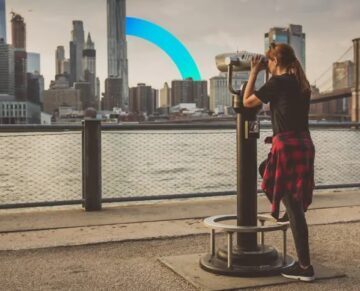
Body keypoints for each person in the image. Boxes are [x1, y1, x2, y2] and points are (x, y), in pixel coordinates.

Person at [242, 42, 315, 282]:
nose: (267, 65)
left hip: (288, 148)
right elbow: (291, 114)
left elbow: (247, 102)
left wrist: (253, 72)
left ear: (274, 62)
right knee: (266, 170)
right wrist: (275, 135)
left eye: (268, 62)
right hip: (302, 144)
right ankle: (288, 210)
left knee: (295, 209)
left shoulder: (278, 82)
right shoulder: (301, 84)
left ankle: (305, 267)